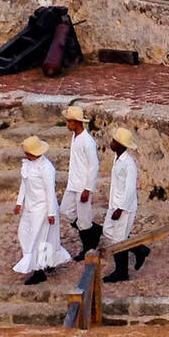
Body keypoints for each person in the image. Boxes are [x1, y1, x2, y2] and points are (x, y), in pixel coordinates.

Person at [14, 136, 73, 285]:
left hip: (42, 208)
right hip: (30, 207)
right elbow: (24, 183)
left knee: (37, 239)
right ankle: (47, 261)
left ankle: (38, 270)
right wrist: (19, 202)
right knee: (25, 233)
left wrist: (51, 212)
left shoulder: (46, 168)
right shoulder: (27, 164)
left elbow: (49, 191)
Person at [102, 127, 149, 283]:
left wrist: (121, 208)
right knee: (108, 231)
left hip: (124, 207)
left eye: (114, 141)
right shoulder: (117, 159)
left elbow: (129, 189)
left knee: (118, 241)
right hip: (114, 204)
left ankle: (121, 272)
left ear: (121, 145)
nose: (111, 143)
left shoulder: (129, 164)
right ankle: (138, 249)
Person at [59, 105, 102, 261]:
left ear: (76, 122)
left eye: (69, 121)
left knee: (83, 220)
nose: (67, 124)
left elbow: (94, 165)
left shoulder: (87, 141)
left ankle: (88, 248)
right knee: (65, 210)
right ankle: (95, 230)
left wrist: (88, 189)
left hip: (83, 185)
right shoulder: (75, 137)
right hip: (73, 183)